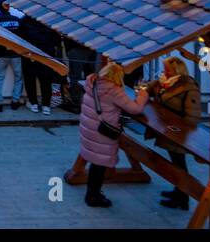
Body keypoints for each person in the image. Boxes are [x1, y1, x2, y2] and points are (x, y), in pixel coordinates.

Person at [79, 61, 148, 208]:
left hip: (90, 129)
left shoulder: (93, 83)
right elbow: (134, 109)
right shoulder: (113, 90)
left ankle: (92, 193)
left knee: (95, 163)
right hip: (102, 133)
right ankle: (93, 197)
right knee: (99, 165)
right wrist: (143, 95)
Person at [145, 56, 202, 210]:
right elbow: (149, 88)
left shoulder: (188, 86)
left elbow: (193, 115)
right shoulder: (165, 82)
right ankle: (178, 191)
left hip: (179, 133)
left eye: (167, 70)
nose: (165, 72)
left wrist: (183, 131)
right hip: (168, 129)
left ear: (176, 71)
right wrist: (145, 89)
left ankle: (182, 198)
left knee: (179, 165)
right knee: (176, 163)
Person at [18, 12, 60, 115]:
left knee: (30, 81)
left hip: (29, 55)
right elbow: (57, 40)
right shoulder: (48, 19)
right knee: (46, 82)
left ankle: (34, 104)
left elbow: (18, 38)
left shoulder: (24, 20)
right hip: (46, 55)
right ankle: (46, 106)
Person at [0, 0, 24, 111]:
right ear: (9, 7)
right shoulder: (17, 20)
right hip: (16, 54)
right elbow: (22, 37)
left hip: (0, 53)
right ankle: (15, 101)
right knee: (19, 78)